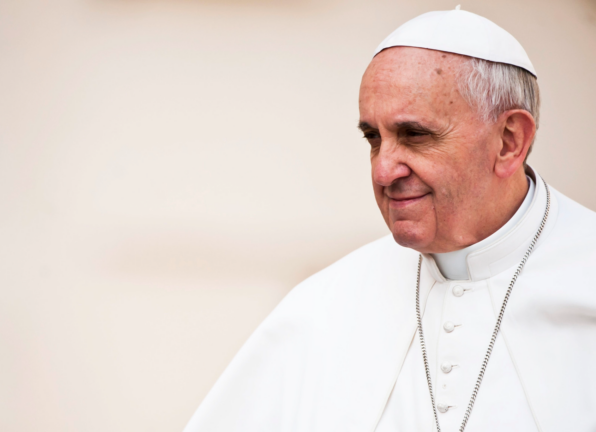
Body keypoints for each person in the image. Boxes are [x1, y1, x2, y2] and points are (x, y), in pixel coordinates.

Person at [184, 7, 596, 432]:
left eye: (415, 136)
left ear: (509, 141)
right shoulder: (321, 308)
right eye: (373, 138)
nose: (383, 171)